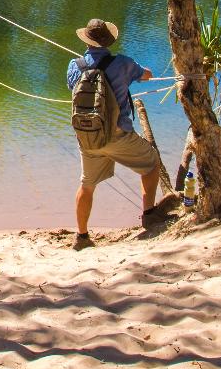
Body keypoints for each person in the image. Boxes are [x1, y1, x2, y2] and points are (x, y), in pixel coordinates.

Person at [67, 18, 174, 249]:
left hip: (89, 137)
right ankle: (149, 214)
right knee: (152, 163)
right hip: (118, 135)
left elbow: (73, 89)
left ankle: (82, 237)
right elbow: (147, 75)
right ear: (108, 41)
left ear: (86, 40)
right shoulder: (123, 63)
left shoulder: (74, 65)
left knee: (87, 185)